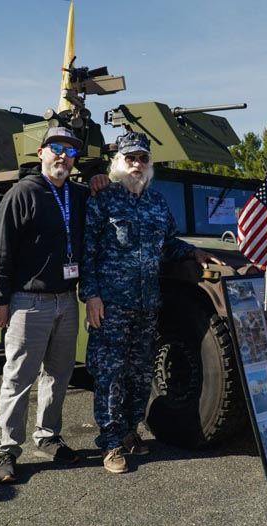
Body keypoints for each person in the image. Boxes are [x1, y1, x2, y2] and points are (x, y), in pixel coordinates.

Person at [80, 131, 221, 474]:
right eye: (131, 158)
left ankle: (129, 430)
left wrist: (192, 251)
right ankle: (110, 443)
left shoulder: (158, 203)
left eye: (143, 158)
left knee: (140, 372)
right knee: (109, 374)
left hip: (146, 304)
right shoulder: (103, 200)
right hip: (111, 303)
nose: (137, 164)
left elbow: (168, 244)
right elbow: (89, 252)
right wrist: (92, 296)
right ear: (118, 162)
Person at [0, 126, 105, 483]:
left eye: (70, 152)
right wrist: (0, 299)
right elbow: (0, 249)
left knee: (59, 375)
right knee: (19, 377)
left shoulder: (78, 195)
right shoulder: (22, 194)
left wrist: (101, 174)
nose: (63, 157)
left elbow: (108, 189)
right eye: (56, 148)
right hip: (28, 301)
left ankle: (49, 437)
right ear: (41, 153)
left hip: (67, 301)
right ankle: (7, 449)